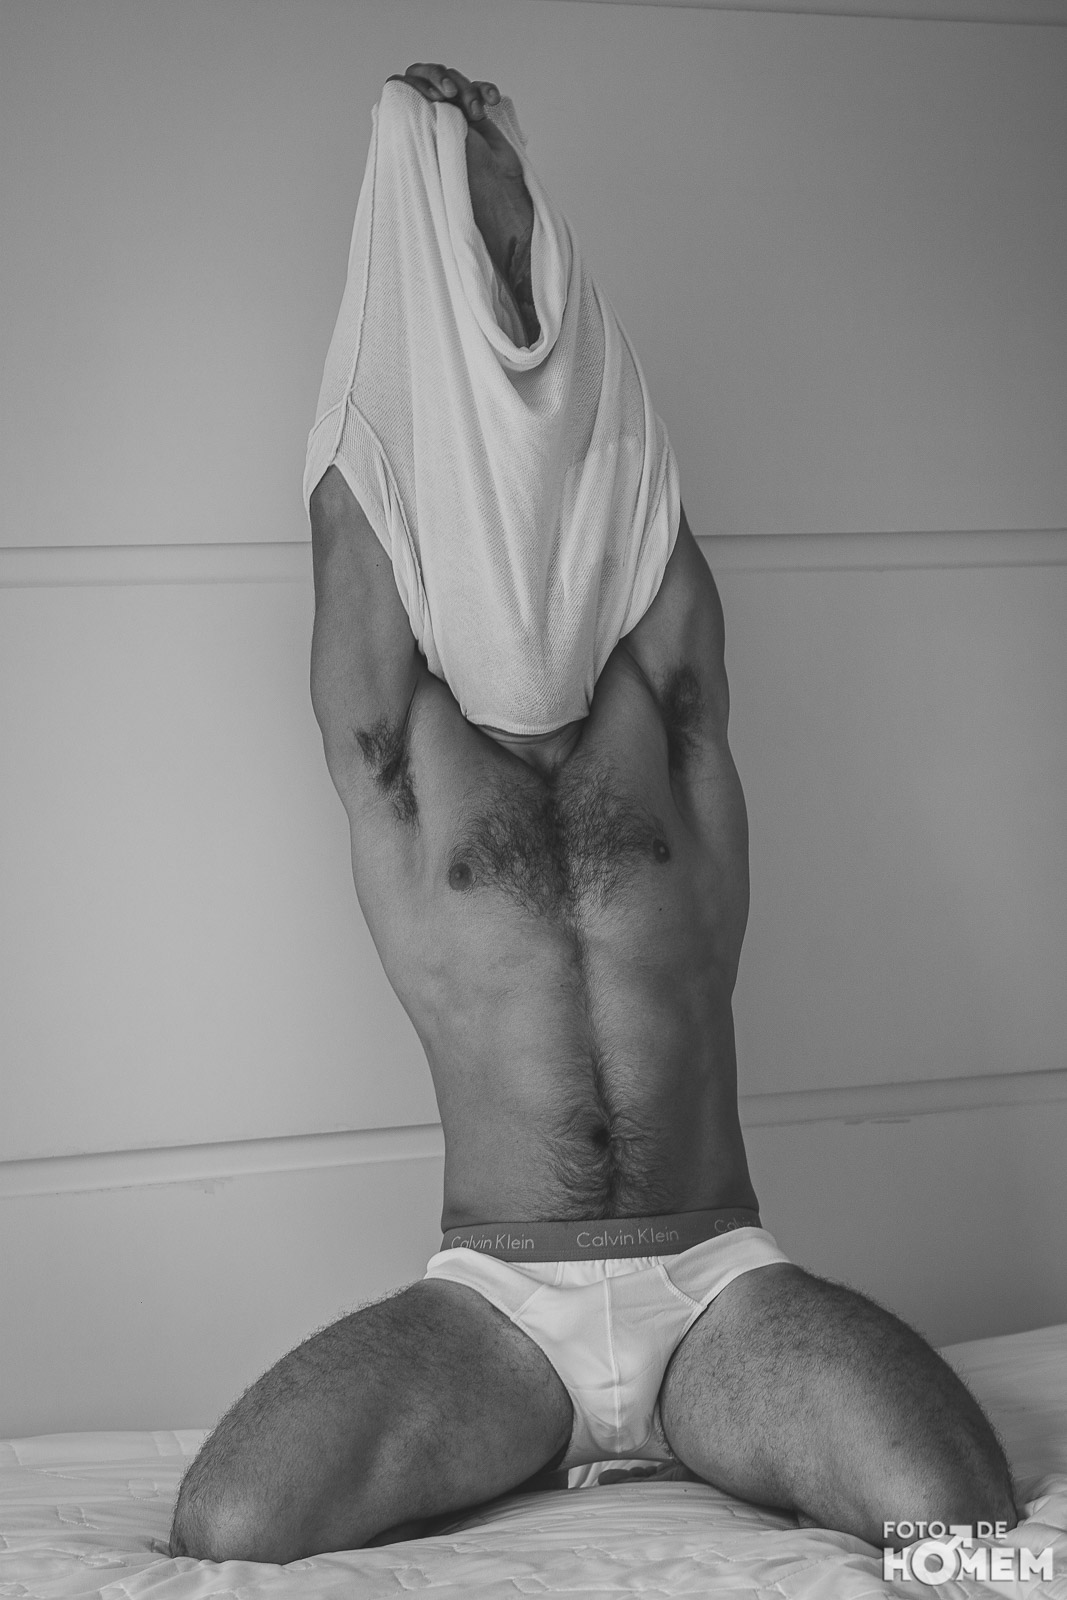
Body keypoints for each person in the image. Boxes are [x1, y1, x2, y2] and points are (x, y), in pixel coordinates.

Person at [169, 64, 1016, 1563]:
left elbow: (621, 464)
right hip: (498, 1304)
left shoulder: (665, 720)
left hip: (717, 1286)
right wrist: (416, 224)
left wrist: (516, 233)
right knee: (232, 1522)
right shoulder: (404, 753)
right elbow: (358, 486)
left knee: (958, 1523)